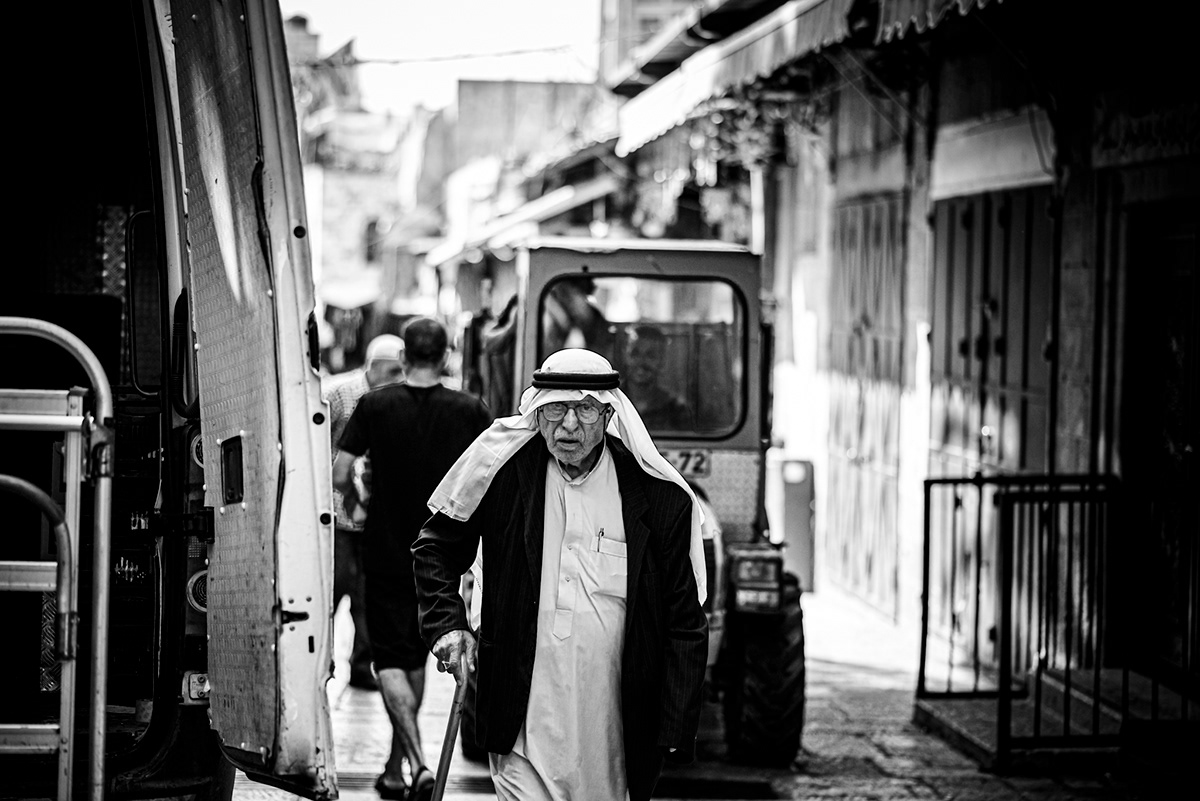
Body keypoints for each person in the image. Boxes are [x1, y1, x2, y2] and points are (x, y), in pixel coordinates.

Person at [412, 348, 709, 801]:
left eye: (585, 409)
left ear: (609, 414)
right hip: (521, 715)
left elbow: (684, 622)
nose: (569, 426)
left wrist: (672, 723)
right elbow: (435, 547)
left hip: (614, 723)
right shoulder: (502, 476)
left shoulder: (659, 500)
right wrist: (448, 626)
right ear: (537, 410)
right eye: (555, 409)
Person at [334, 318, 492, 801]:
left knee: (390, 659)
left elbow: (341, 471)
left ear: (405, 358)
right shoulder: (470, 410)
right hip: (444, 558)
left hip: (383, 551)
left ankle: (414, 762)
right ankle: (400, 764)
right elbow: (490, 474)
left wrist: (361, 496)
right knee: (420, 655)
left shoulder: (375, 404)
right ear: (445, 356)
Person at [322, 333, 406, 691]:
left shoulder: (397, 400)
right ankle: (318, 664)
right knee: (330, 590)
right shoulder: (339, 394)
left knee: (367, 598)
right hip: (337, 515)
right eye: (393, 370)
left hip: (373, 520)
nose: (399, 377)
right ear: (373, 368)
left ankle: (360, 666)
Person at [623, 324, 692, 431]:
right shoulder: (609, 402)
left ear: (662, 361)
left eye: (650, 356)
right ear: (626, 356)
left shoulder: (676, 410)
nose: (641, 362)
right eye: (635, 354)